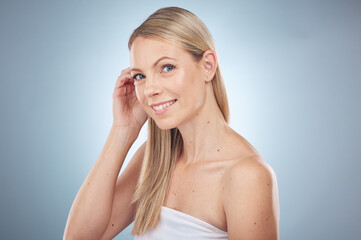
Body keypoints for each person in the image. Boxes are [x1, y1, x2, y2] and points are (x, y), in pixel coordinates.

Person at [63, 6, 280, 240]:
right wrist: (122, 130)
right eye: (140, 76)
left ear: (207, 66)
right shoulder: (154, 159)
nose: (150, 90)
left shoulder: (246, 176)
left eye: (167, 68)